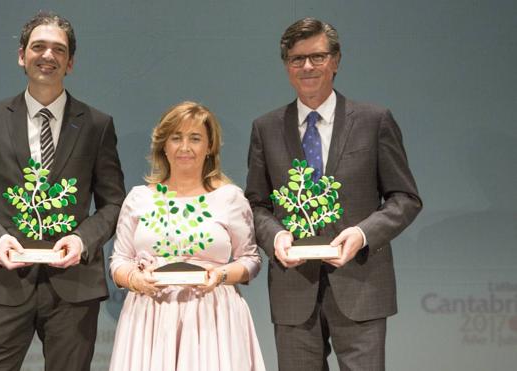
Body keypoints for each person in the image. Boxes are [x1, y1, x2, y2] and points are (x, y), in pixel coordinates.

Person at [0, 11, 125, 371]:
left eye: (58, 50)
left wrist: (81, 240)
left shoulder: (97, 124)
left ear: (70, 62)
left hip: (74, 285)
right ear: (21, 55)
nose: (48, 56)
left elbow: (113, 203)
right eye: (38, 47)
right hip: (7, 280)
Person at [245, 17, 422, 370]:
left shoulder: (374, 120)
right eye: (297, 59)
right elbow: (256, 204)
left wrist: (361, 234)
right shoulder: (266, 128)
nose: (307, 66)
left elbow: (405, 198)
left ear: (336, 61)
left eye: (318, 56)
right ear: (286, 66)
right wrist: (275, 236)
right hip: (293, 287)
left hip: (360, 282)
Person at [109, 101, 266, 371]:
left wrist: (221, 275)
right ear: (163, 146)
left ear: (210, 147)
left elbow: (250, 260)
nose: (184, 147)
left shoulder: (229, 198)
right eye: (176, 138)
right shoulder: (139, 198)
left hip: (213, 316)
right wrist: (135, 279)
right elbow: (119, 261)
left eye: (195, 138)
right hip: (149, 317)